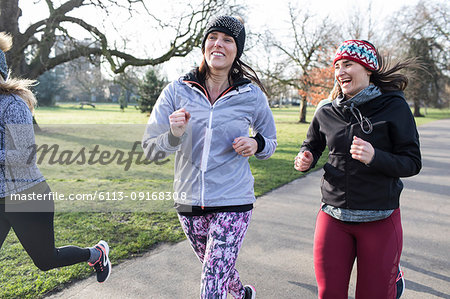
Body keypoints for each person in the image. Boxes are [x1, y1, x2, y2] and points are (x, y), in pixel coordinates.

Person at [142, 16, 277, 299]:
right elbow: (151, 149)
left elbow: (270, 142)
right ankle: (241, 294)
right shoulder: (177, 90)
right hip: (189, 200)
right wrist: (174, 134)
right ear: (204, 44)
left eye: (228, 39)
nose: (219, 43)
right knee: (215, 267)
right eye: (213, 37)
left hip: (233, 199)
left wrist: (256, 143)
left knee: (213, 276)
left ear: (237, 50)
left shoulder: (251, 95)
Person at [294, 39, 421, 299]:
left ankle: (391, 280)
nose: (340, 72)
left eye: (348, 64)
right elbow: (312, 144)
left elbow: (412, 162)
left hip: (380, 219)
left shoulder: (394, 107)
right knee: (329, 294)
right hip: (333, 217)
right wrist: (305, 157)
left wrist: (375, 157)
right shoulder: (326, 111)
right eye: (337, 66)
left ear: (368, 68)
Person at [0, 32, 111, 283]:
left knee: (46, 260)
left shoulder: (12, 105)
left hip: (26, 196)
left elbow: (25, 155)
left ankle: (96, 254)